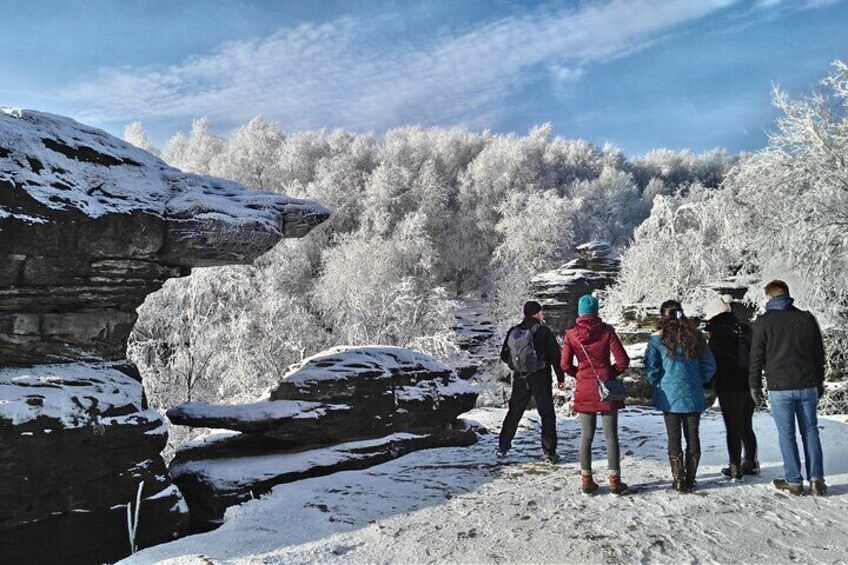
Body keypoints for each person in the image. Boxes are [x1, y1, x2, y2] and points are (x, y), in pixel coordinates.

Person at [749, 280, 827, 496]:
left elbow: (756, 357)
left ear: (769, 297)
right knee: (811, 432)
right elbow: (819, 354)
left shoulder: (764, 322)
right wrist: (819, 381)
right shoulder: (806, 318)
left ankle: (794, 481)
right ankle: (817, 480)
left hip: (779, 386)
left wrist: (754, 385)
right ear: (787, 295)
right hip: (807, 383)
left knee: (787, 434)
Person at [561, 294, 630, 495]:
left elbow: (565, 364)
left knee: (586, 436)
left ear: (579, 312)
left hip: (585, 388)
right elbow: (623, 360)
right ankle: (615, 482)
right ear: (596, 311)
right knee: (611, 438)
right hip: (606, 389)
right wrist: (609, 374)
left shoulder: (571, 335)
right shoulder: (607, 331)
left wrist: (580, 375)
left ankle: (587, 481)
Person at [644, 300, 716, 493]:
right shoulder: (697, 337)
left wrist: (658, 384)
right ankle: (691, 480)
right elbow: (709, 365)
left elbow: (651, 369)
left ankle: (678, 481)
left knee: (673, 436)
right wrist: (698, 381)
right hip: (693, 392)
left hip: (669, 395)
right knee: (693, 434)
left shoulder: (656, 340)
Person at [498, 300, 565, 463]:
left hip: (520, 378)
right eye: (541, 312)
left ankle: (503, 447)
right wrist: (560, 378)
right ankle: (549, 452)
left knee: (514, 412)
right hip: (540, 377)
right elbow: (556, 356)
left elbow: (503, 354)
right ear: (536, 313)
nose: (542, 314)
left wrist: (516, 366)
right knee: (547, 414)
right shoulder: (543, 331)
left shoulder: (514, 331)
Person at [704, 294, 759, 481]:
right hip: (749, 384)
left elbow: (711, 363)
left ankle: (735, 466)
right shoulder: (744, 329)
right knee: (747, 425)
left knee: (733, 427)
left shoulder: (717, 336)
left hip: (728, 386)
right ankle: (751, 462)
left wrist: (707, 384)